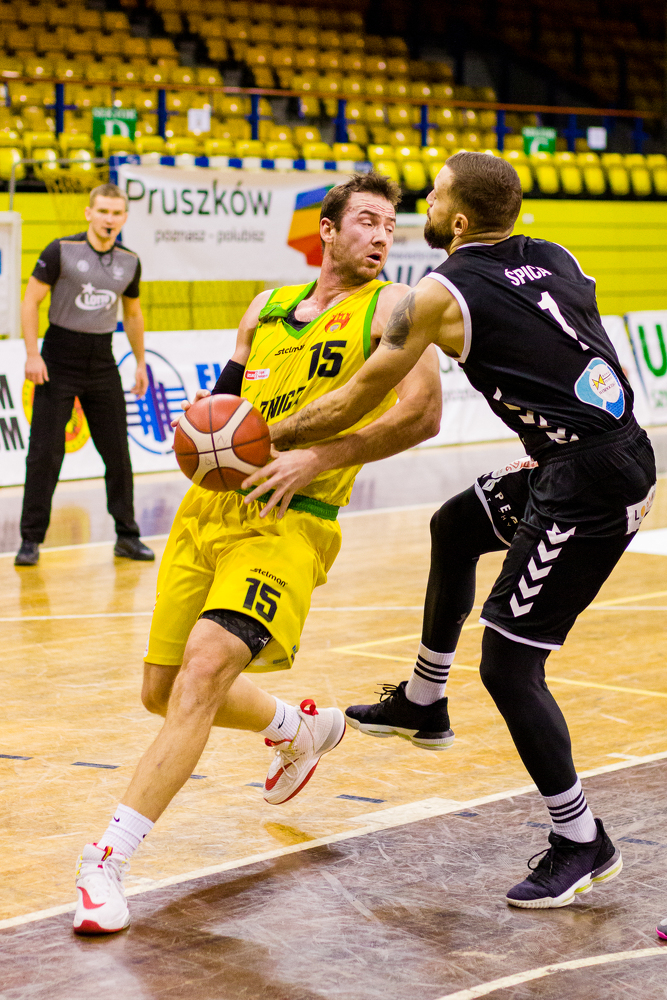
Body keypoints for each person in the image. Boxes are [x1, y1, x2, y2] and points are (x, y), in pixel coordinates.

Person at [268, 152, 657, 911]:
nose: (424, 198)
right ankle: (423, 700)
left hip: (588, 484)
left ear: (457, 219)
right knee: (455, 525)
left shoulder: (439, 294)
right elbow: (576, 331)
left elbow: (360, 395)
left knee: (510, 666)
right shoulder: (556, 254)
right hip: (586, 451)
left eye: (434, 192)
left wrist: (264, 436)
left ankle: (581, 839)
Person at [72, 173, 442, 935]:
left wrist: (320, 457)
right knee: (160, 692)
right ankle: (297, 728)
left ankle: (104, 861)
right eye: (366, 220)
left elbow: (423, 415)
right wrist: (199, 435)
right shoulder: (265, 308)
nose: (380, 234)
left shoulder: (397, 308)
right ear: (327, 230)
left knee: (204, 671)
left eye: (389, 223)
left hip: (289, 520)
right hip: (206, 513)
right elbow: (226, 411)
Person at [15, 182, 154, 566]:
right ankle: (30, 540)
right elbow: (30, 302)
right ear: (89, 213)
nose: (110, 219)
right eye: (103, 211)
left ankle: (127, 536)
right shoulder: (60, 250)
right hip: (58, 359)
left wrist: (140, 362)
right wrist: (32, 354)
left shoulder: (130, 261)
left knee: (118, 454)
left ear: (124, 218)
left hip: (102, 361)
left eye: (116, 213)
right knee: (44, 453)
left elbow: (133, 314)